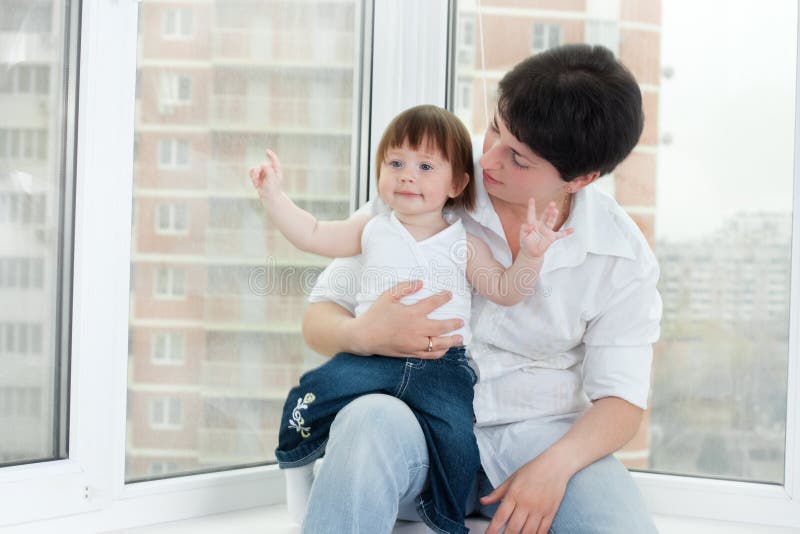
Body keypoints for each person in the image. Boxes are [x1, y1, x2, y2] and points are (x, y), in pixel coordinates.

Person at [300, 44, 662, 534]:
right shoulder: (433, 175)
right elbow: (318, 317)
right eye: (495, 126)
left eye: (517, 156)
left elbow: (621, 402)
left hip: (537, 442)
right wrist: (364, 335)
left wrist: (554, 468)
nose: (488, 157)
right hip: (415, 426)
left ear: (580, 179)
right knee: (366, 422)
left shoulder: (619, 256)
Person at [249, 105, 572, 534]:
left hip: (443, 368)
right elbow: (311, 233)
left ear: (456, 183)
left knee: (457, 441)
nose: (407, 176)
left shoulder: (464, 243)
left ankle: (443, 513)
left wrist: (531, 256)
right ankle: (297, 463)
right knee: (312, 394)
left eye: (424, 167)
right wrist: (273, 195)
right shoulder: (372, 227)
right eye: (396, 163)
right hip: (374, 356)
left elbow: (507, 290)